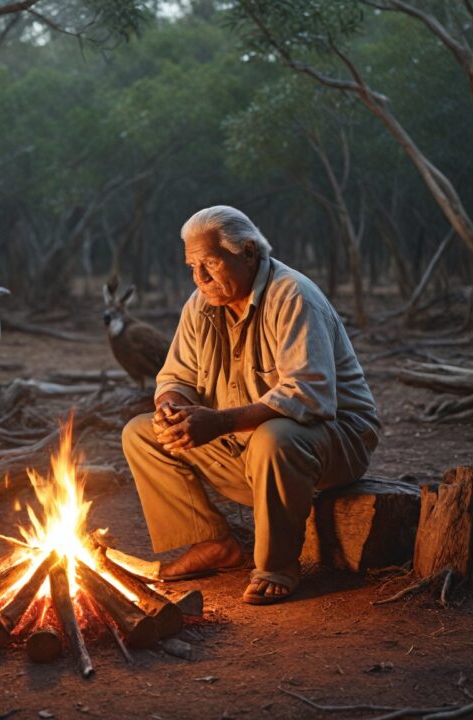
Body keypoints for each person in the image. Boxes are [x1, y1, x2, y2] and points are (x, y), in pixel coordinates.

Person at [122, 205, 380, 604]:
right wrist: (171, 408)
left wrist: (219, 423)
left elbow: (308, 395)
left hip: (332, 444)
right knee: (142, 433)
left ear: (248, 252)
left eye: (209, 263)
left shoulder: (293, 295)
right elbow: (176, 377)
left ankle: (277, 567)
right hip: (246, 447)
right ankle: (212, 543)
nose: (200, 277)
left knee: (275, 438)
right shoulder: (200, 304)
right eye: (192, 266)